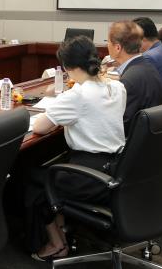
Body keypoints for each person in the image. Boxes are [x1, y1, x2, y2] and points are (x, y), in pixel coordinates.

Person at [28, 36, 126, 261]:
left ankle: (56, 243)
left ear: (67, 67)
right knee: (53, 168)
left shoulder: (77, 95)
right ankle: (64, 226)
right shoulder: (117, 87)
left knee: (33, 180)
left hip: (90, 176)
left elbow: (40, 127)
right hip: (116, 167)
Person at [107, 20, 162, 133]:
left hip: (132, 140)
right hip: (152, 135)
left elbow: (119, 126)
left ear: (118, 48)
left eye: (108, 42)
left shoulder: (128, 81)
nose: (107, 45)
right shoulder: (147, 66)